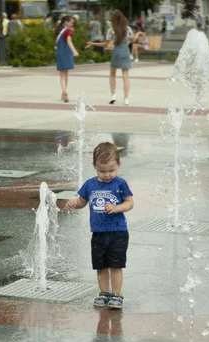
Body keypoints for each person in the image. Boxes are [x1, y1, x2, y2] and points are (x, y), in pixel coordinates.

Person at [65, 142, 134, 310]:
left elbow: (129, 203)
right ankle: (104, 293)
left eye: (111, 170)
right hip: (98, 232)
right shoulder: (90, 184)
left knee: (115, 265)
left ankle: (116, 295)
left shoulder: (120, 183)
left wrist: (117, 208)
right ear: (95, 166)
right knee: (101, 265)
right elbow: (82, 201)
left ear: (119, 165)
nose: (107, 175)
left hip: (118, 231)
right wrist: (75, 203)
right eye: (102, 171)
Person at [86, 10, 134, 106]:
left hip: (116, 51)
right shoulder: (127, 29)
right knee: (125, 75)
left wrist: (92, 43)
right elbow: (132, 40)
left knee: (112, 74)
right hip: (125, 51)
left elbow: (105, 44)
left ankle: (113, 96)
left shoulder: (111, 30)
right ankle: (126, 98)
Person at [55, 16, 79, 103]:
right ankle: (65, 91)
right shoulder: (68, 31)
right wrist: (74, 51)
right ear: (65, 22)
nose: (72, 24)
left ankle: (63, 92)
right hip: (67, 53)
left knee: (62, 74)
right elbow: (69, 41)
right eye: (71, 22)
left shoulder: (58, 30)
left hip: (60, 53)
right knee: (66, 74)